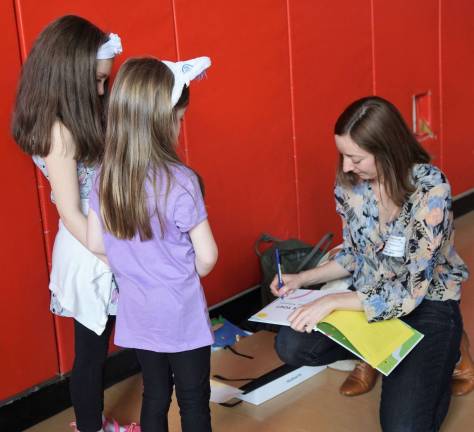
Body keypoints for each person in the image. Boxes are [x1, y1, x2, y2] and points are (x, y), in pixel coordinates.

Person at [271, 96, 469, 431]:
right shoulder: (350, 185)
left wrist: (332, 300)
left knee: (403, 427)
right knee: (290, 343)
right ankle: (378, 354)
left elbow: (410, 291)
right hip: (367, 297)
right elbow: (354, 253)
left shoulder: (431, 189)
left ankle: (449, 348)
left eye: (355, 157)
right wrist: (303, 279)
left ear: (388, 149)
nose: (346, 167)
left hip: (426, 303)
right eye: (343, 155)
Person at [11, 15, 133, 432]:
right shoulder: (59, 132)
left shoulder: (77, 120)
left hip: (103, 239)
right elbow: (69, 209)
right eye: (98, 81)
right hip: (89, 251)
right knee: (91, 351)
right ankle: (89, 427)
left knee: (98, 345)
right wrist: (111, 254)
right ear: (69, 75)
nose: (103, 90)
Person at [87, 56, 218, 432]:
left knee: (155, 393)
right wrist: (175, 272)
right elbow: (208, 257)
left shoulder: (104, 178)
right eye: (178, 119)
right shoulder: (180, 181)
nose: (179, 127)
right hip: (180, 312)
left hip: (137, 311)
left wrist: (137, 268)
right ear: (160, 121)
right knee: (193, 398)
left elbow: (97, 243)